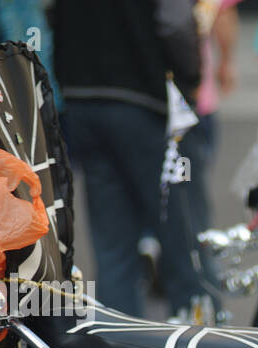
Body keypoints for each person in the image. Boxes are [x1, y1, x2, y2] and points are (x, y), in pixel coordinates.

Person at [52, 0, 201, 317]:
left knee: (111, 241)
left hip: (83, 96)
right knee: (176, 228)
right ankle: (195, 336)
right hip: (140, 94)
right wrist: (190, 78)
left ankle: (120, 343)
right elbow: (176, 22)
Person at [158, 0, 240, 321]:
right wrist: (225, 63)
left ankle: (191, 297)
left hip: (147, 103)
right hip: (189, 105)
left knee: (173, 207)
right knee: (192, 212)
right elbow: (222, 15)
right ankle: (204, 305)